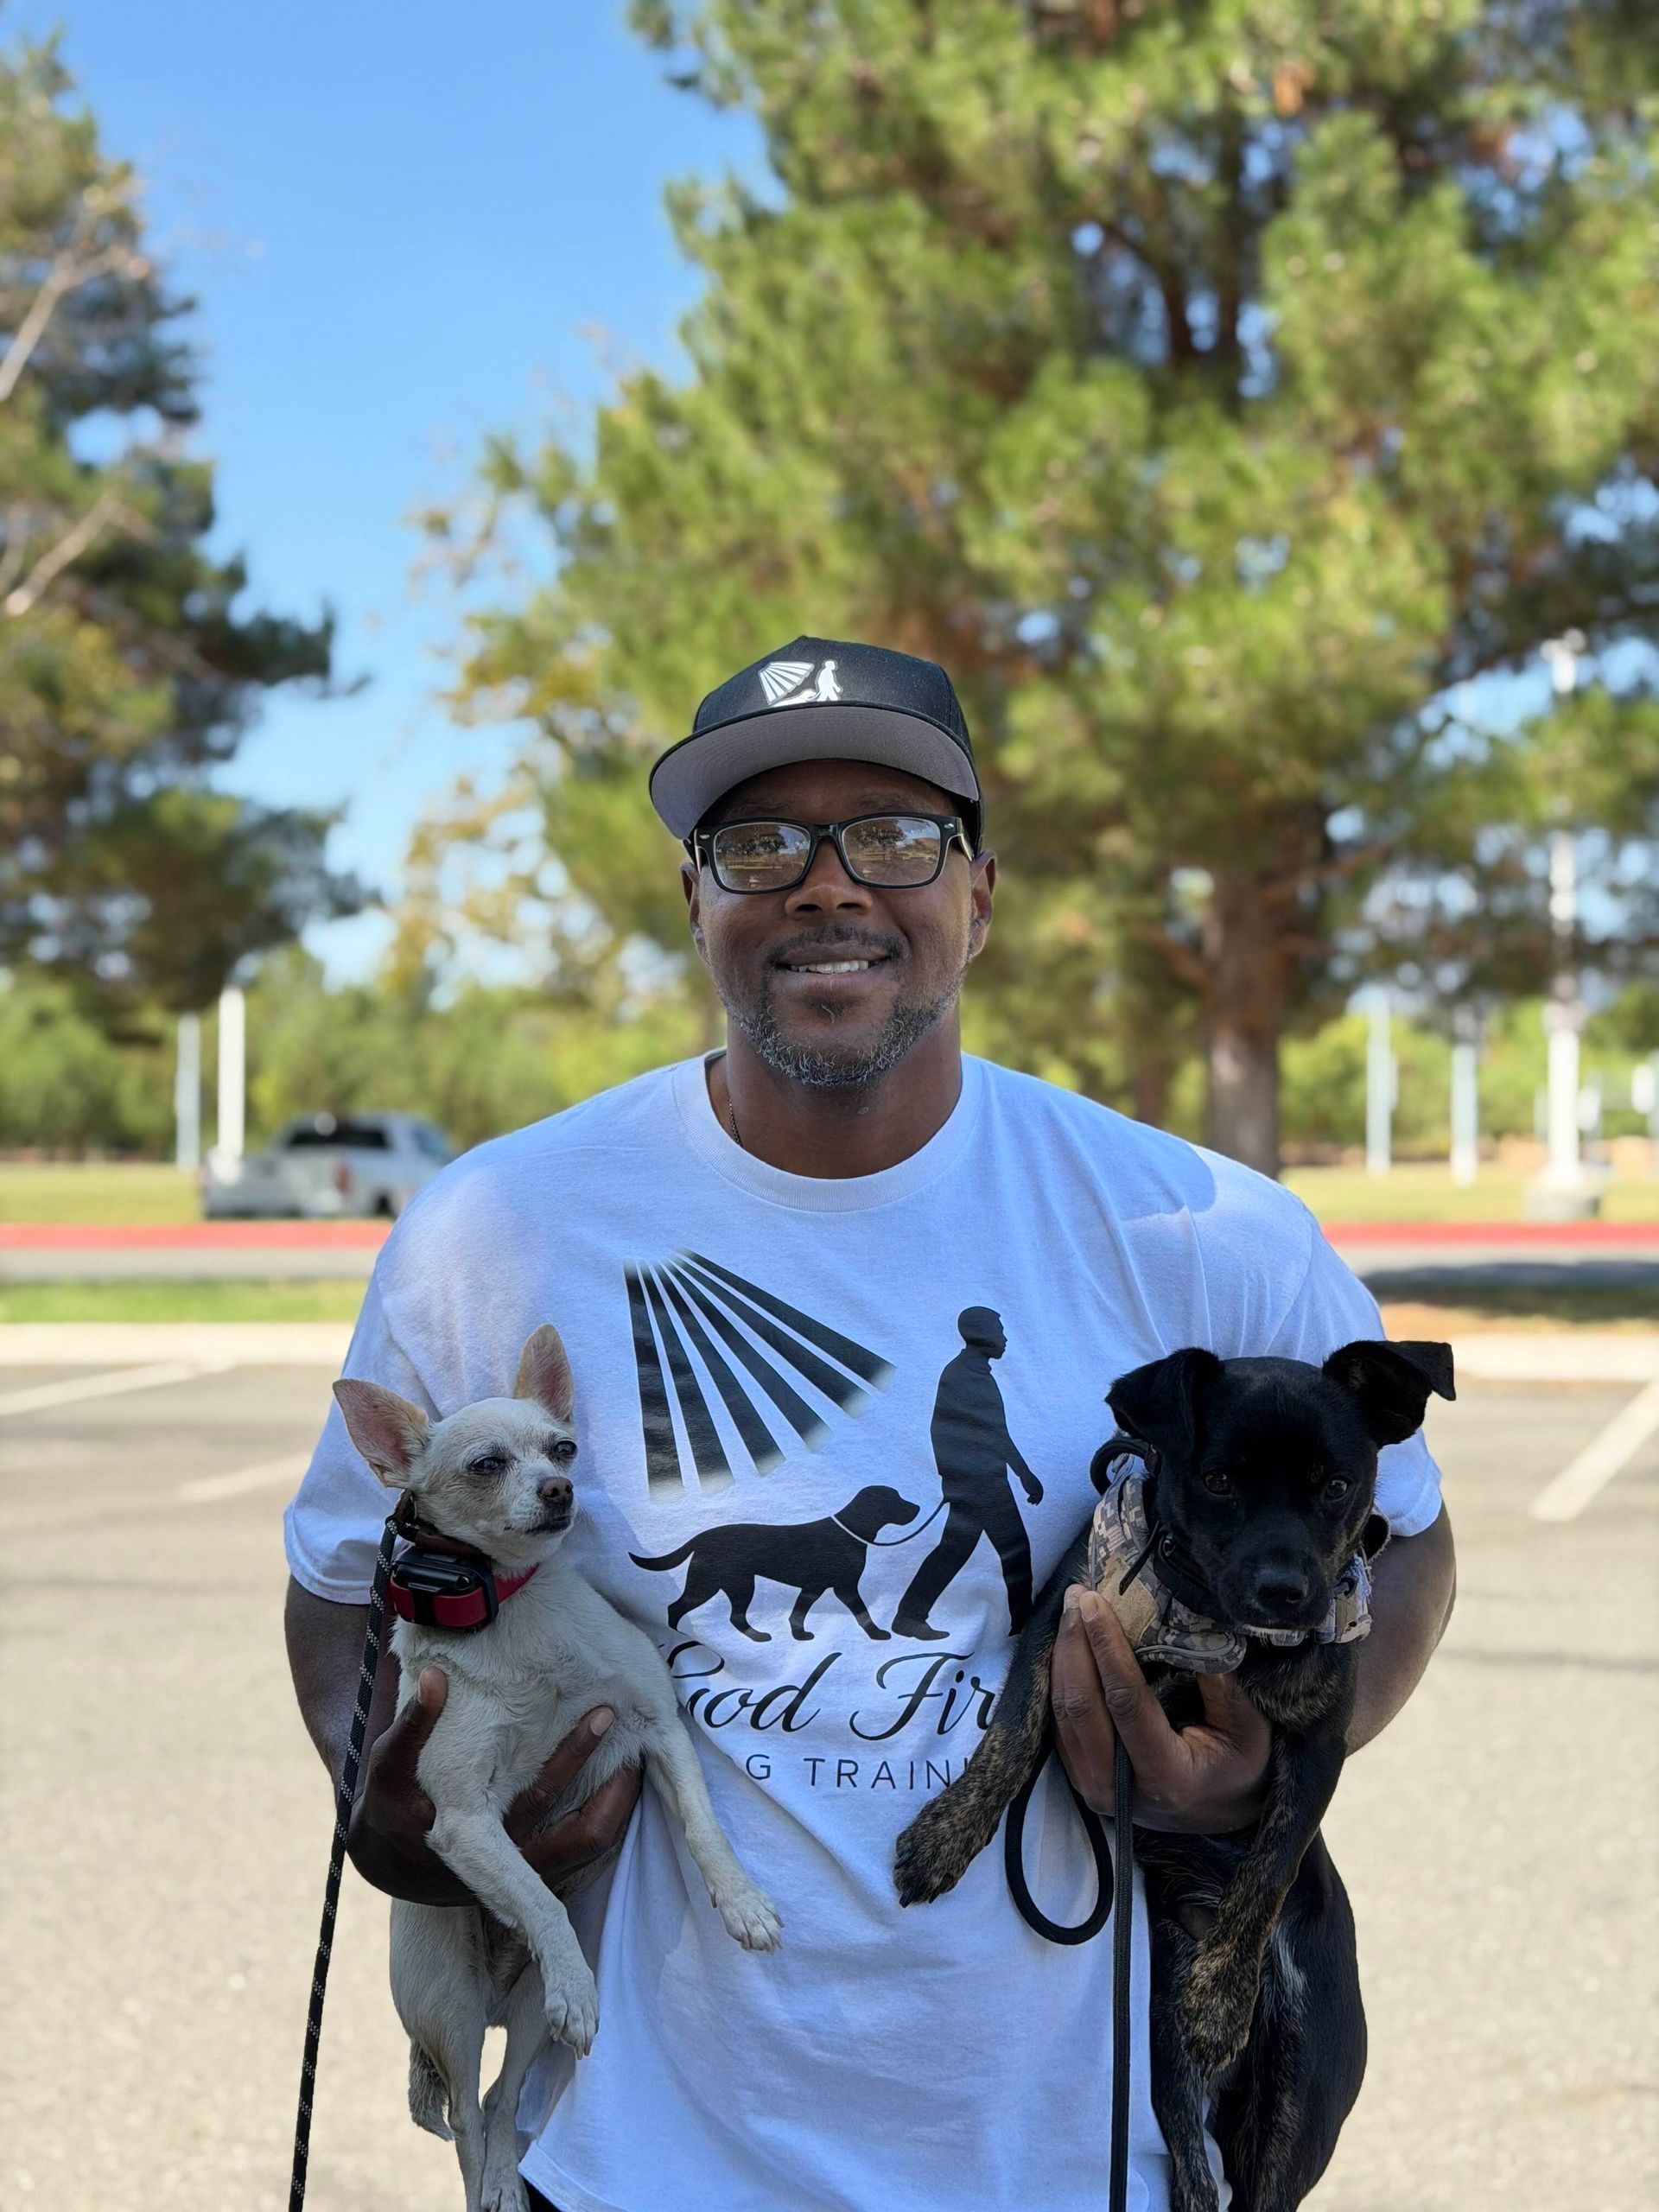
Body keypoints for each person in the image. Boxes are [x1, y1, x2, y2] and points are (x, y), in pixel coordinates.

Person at [284, 634, 1457, 2212]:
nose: (825, 886)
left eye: (893, 837)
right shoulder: (500, 1223)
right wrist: (418, 1818)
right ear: (694, 900)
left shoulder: (1200, 1230)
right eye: (758, 842)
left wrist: (1260, 1770)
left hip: (1074, 2160)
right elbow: (352, 1584)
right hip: (637, 2158)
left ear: (979, 896)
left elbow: (1411, 1541)